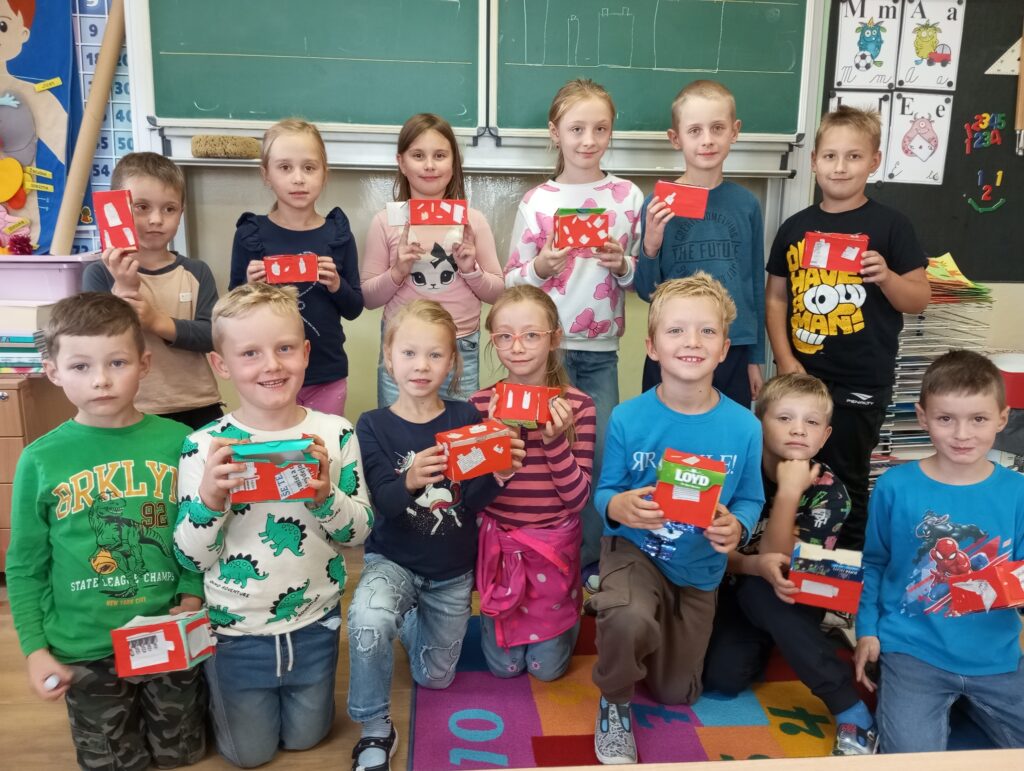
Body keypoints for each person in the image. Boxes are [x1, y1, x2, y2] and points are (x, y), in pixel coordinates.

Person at [174, 282, 373, 768]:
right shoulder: (203, 446)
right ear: (221, 364)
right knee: (248, 755)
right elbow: (191, 557)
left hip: (316, 622)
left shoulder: (336, 433)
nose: (272, 365)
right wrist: (210, 501)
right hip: (234, 631)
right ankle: (216, 694)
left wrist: (326, 497)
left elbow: (359, 532)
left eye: (284, 348)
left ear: (305, 353)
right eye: (250, 353)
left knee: (307, 738)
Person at [7, 292, 206, 770]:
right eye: (80, 366)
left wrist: (191, 592)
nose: (100, 379)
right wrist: (35, 650)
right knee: (113, 764)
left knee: (182, 755)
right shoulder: (40, 459)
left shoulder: (181, 442)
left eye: (117, 362)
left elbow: (199, 529)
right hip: (86, 647)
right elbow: (25, 564)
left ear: (144, 363)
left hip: (167, 632)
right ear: (53, 371)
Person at [588, 273, 764, 764]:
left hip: (699, 567)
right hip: (635, 551)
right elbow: (605, 492)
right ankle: (614, 700)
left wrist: (738, 527)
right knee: (627, 618)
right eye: (676, 330)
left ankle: (647, 629)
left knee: (676, 694)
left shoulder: (745, 426)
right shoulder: (628, 417)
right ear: (651, 347)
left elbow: (751, 499)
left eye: (707, 331)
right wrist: (618, 507)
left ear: (724, 348)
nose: (692, 341)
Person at [349, 300, 525, 771]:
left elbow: (472, 501)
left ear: (452, 364)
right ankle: (374, 726)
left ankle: (411, 620)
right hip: (393, 560)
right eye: (409, 353)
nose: (421, 366)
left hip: (451, 573)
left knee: (435, 678)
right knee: (368, 619)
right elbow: (384, 503)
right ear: (388, 358)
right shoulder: (372, 424)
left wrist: (501, 474)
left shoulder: (466, 416)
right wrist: (408, 481)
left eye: (434, 355)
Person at [766, 105, 931, 549]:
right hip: (803, 376)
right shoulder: (795, 228)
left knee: (848, 478)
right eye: (830, 156)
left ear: (874, 161)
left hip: (862, 379)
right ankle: (787, 558)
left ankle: (843, 575)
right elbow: (776, 297)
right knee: (791, 471)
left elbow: (919, 298)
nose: (840, 167)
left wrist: (888, 277)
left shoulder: (891, 226)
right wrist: (784, 359)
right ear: (814, 160)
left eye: (853, 156)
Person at [504, 78, 643, 572]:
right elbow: (511, 281)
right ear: (555, 132)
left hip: (602, 352)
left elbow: (641, 278)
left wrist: (622, 264)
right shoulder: (537, 201)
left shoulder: (628, 197)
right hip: (547, 355)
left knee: (600, 459)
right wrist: (541, 267)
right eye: (577, 128)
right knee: (543, 458)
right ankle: (546, 558)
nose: (589, 140)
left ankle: (591, 565)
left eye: (600, 129)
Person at [855, 350, 1024, 753]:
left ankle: (964, 709)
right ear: (922, 416)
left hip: (997, 656)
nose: (962, 434)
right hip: (913, 652)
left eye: (978, 419)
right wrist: (866, 630)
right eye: (946, 418)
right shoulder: (894, 486)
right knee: (910, 757)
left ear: (1002, 419)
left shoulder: (1018, 492)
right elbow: (874, 563)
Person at [702, 373, 876, 756]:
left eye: (811, 422)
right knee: (722, 679)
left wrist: (790, 492)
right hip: (729, 587)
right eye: (784, 418)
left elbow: (781, 567)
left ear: (825, 436)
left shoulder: (830, 492)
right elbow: (712, 553)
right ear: (758, 422)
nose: (798, 430)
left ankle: (848, 705)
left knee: (761, 591)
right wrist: (752, 564)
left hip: (791, 593)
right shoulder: (731, 473)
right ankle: (783, 639)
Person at [470, 286, 596, 681]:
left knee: (546, 671)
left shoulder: (579, 406)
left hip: (553, 546)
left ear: (554, 338)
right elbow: (470, 498)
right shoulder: (478, 405)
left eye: (531, 335)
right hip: (501, 547)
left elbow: (577, 501)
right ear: (493, 341)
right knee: (505, 669)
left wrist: (554, 441)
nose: (517, 347)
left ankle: (567, 613)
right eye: (504, 336)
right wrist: (493, 439)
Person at [636, 80, 765, 407]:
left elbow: (754, 285)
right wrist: (650, 246)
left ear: (734, 131)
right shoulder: (658, 204)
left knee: (727, 431)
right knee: (665, 428)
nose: (707, 140)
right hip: (673, 346)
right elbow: (646, 291)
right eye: (694, 130)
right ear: (675, 138)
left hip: (732, 346)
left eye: (717, 128)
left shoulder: (746, 205)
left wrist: (756, 357)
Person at [362, 113, 503, 407]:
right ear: (401, 162)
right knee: (399, 429)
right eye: (418, 155)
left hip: (460, 347)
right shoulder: (385, 221)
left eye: (439, 155)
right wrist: (398, 271)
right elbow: (368, 298)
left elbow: (498, 294)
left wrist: (471, 270)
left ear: (453, 162)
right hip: (402, 348)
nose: (429, 165)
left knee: (457, 431)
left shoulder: (473, 221)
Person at [230, 118, 363, 417]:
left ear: (324, 173)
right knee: (273, 445)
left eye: (309, 168)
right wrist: (248, 289)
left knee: (323, 444)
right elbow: (232, 314)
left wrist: (336, 285)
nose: (298, 178)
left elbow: (354, 308)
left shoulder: (337, 235)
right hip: (268, 374)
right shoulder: (251, 235)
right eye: (285, 167)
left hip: (325, 373)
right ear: (266, 174)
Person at [83, 151, 222, 429]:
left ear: (181, 212)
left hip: (198, 405)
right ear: (116, 208)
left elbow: (213, 336)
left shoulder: (197, 272)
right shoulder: (99, 274)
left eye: (169, 209)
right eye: (142, 207)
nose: (156, 219)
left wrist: (157, 321)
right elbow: (96, 344)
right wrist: (124, 289)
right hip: (132, 410)